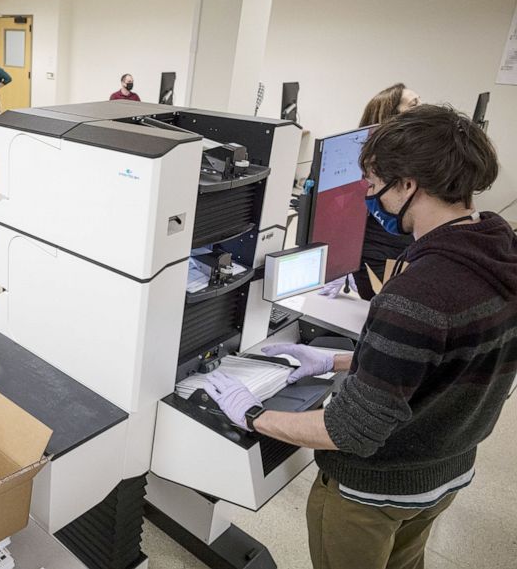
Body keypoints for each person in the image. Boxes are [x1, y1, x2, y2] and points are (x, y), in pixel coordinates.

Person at [202, 104, 516, 569]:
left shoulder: (419, 291)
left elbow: (349, 431)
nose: (371, 199)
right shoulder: (501, 252)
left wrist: (252, 415)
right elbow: (448, 361)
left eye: (373, 186)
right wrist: (335, 361)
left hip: (375, 494)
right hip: (445, 474)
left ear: (409, 185)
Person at [321, 84, 422, 300]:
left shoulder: (411, 156)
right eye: (414, 105)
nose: (422, 110)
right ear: (391, 117)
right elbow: (341, 215)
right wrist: (339, 265)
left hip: (404, 246)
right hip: (379, 253)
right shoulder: (368, 161)